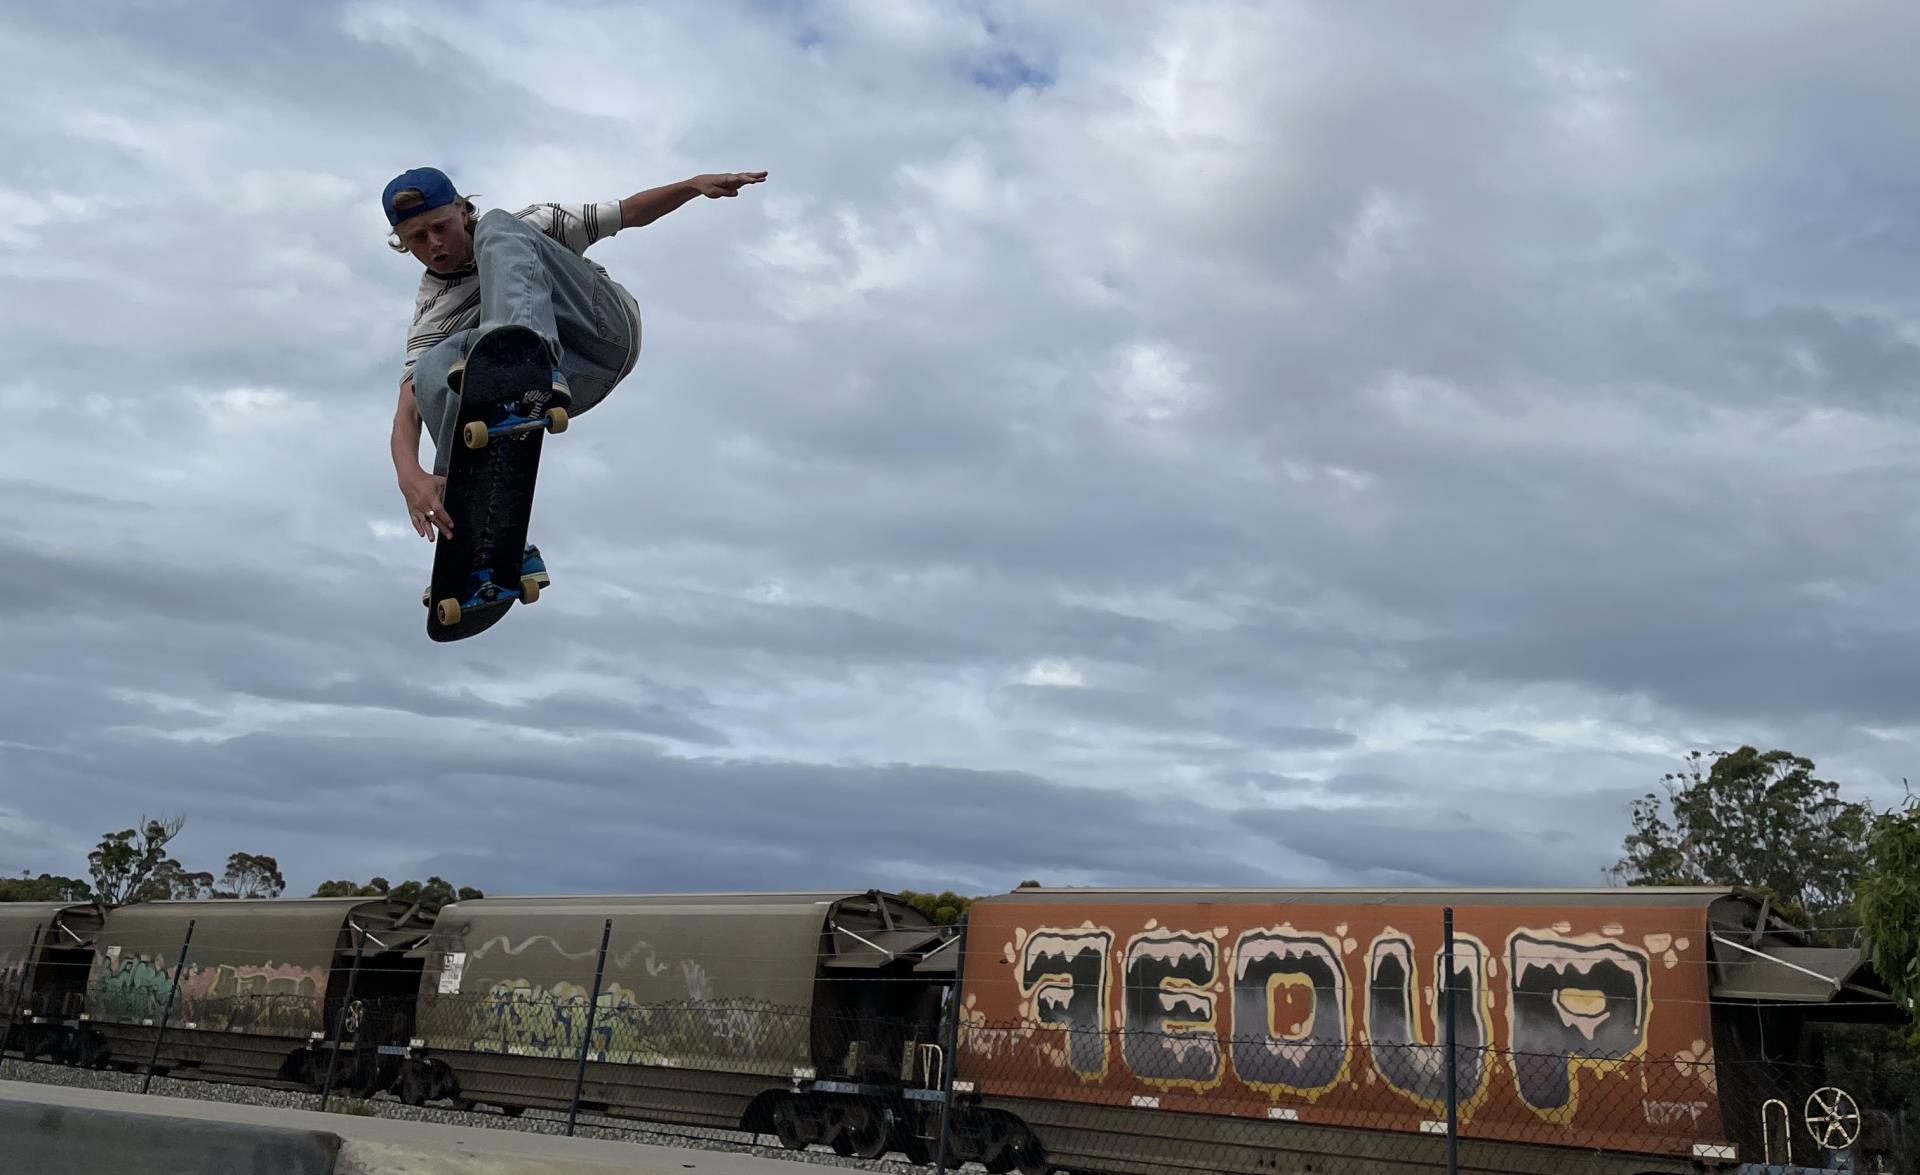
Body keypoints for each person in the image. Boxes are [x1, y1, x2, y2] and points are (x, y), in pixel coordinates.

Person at [382, 165, 766, 561]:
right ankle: (482, 529)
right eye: (418, 239)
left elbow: (628, 212)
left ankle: (526, 354)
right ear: (402, 243)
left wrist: (691, 186)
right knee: (429, 371)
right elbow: (408, 410)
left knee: (500, 228)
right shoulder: (432, 309)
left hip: (603, 329)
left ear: (462, 211)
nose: (435, 245)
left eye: (441, 227)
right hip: (568, 384)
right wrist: (409, 476)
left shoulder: (527, 225)